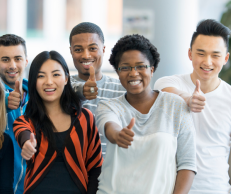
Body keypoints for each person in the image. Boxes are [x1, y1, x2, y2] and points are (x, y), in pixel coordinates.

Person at [97, 34, 196, 194]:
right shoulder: (109, 106)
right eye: (125, 67)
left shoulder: (175, 106)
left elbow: (187, 163)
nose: (133, 73)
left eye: (140, 66)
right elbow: (109, 126)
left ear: (152, 69)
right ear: (118, 71)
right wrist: (117, 135)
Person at [154, 19, 231, 193]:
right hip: (173, 189)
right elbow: (166, 92)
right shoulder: (169, 82)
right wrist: (187, 99)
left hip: (216, 189)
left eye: (215, 55)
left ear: (225, 58)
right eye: (201, 53)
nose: (207, 62)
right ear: (190, 54)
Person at [14, 51, 102, 194]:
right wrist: (27, 144)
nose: (49, 81)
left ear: (66, 78)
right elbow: (22, 131)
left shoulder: (85, 118)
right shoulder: (25, 120)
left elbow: (95, 167)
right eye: (41, 76)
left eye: (56, 74)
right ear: (33, 82)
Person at [69, 22, 125, 157]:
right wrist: (82, 90)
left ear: (104, 49)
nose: (86, 55)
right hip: (72, 173)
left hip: (112, 173)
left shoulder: (123, 88)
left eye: (92, 48)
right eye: (78, 49)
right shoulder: (61, 86)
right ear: (71, 51)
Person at [0, 34, 29, 194]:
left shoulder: (39, 95)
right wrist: (3, 102)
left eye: (18, 59)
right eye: (5, 59)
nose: (12, 65)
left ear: (26, 61)